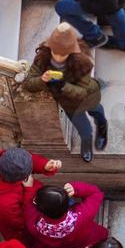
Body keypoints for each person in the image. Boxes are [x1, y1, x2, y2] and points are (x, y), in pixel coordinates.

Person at [18, 24, 105, 163]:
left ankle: (102, 130)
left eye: (63, 54)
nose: (58, 58)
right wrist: (42, 80)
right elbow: (28, 84)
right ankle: (87, 147)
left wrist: (64, 86)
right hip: (69, 105)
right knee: (86, 131)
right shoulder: (42, 58)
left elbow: (83, 92)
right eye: (55, 52)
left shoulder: (82, 62)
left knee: (98, 113)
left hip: (89, 97)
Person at [0, 147, 60, 248]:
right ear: (22, 178)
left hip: (30, 199)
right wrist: (29, 190)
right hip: (21, 234)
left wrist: (44, 165)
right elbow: (21, 222)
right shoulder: (3, 204)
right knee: (26, 247)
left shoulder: (8, 160)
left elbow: (26, 160)